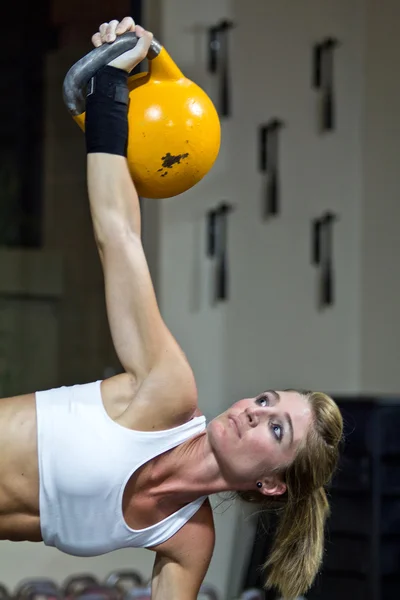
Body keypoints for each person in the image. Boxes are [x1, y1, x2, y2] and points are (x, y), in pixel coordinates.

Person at [0, 17, 343, 600]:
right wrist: (111, 86)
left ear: (270, 484)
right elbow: (119, 234)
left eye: (276, 426)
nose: (254, 411)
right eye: (266, 401)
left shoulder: (187, 538)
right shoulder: (167, 391)